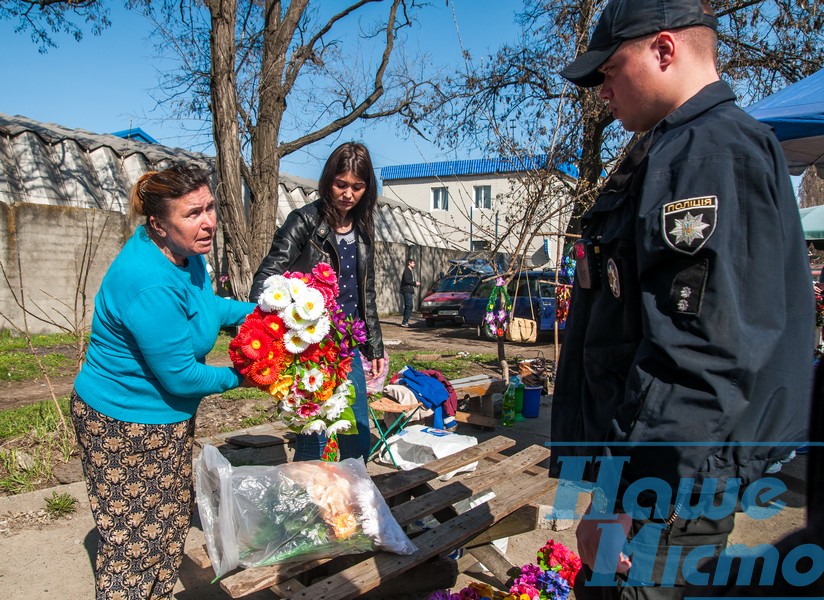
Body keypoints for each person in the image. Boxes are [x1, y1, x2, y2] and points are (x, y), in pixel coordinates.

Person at [549, 0, 815, 598]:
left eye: (610, 70)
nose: (602, 91)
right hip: (668, 474)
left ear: (663, 50)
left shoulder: (706, 153)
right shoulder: (677, 147)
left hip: (668, 485)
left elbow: (701, 351)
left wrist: (628, 497)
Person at [71, 165, 256, 598]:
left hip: (164, 420)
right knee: (133, 545)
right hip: (123, 424)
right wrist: (250, 377)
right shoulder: (147, 279)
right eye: (193, 213)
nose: (208, 221)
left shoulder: (187, 255)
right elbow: (182, 377)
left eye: (210, 207)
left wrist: (269, 310)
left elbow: (206, 308)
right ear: (157, 223)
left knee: (170, 521)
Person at [251, 141, 385, 462]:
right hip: (311, 347)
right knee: (315, 436)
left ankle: (351, 500)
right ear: (328, 181)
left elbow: (365, 292)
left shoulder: (364, 229)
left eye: (357, 186)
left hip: (346, 346)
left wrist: (375, 346)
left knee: (357, 433)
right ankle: (305, 506)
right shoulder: (304, 222)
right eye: (341, 184)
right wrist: (294, 314)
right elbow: (265, 281)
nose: (348, 194)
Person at [399, 257, 420, 327]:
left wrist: (414, 284)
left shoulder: (409, 271)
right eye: (413, 263)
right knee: (409, 305)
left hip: (408, 290)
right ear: (409, 263)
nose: (414, 264)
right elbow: (407, 280)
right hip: (406, 290)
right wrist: (415, 283)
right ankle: (405, 322)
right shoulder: (407, 271)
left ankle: (405, 321)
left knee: (408, 306)